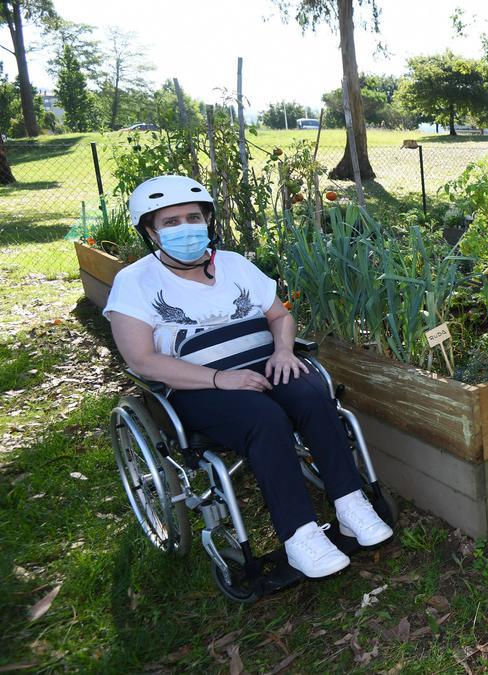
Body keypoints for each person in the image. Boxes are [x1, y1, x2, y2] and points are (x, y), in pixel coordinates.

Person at [104, 175, 394, 579]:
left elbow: (279, 315)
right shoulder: (134, 282)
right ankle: (300, 536)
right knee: (264, 418)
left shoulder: (235, 265)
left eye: (192, 217)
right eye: (170, 222)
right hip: (201, 384)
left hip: (266, 363)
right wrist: (222, 378)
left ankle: (350, 505)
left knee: (314, 392)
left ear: (208, 219)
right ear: (150, 231)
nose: (185, 227)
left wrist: (282, 350)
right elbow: (143, 360)